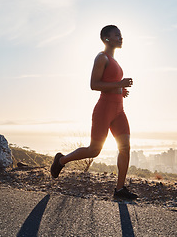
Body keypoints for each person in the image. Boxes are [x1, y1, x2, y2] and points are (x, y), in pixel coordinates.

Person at [51, 25, 138, 200]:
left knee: (125, 147)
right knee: (94, 150)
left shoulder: (115, 61)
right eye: (117, 35)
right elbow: (94, 84)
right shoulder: (101, 58)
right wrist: (119, 84)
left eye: (121, 35)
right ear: (107, 39)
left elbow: (111, 83)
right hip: (104, 109)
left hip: (119, 110)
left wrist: (121, 90)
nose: (121, 38)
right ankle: (60, 160)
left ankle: (120, 189)